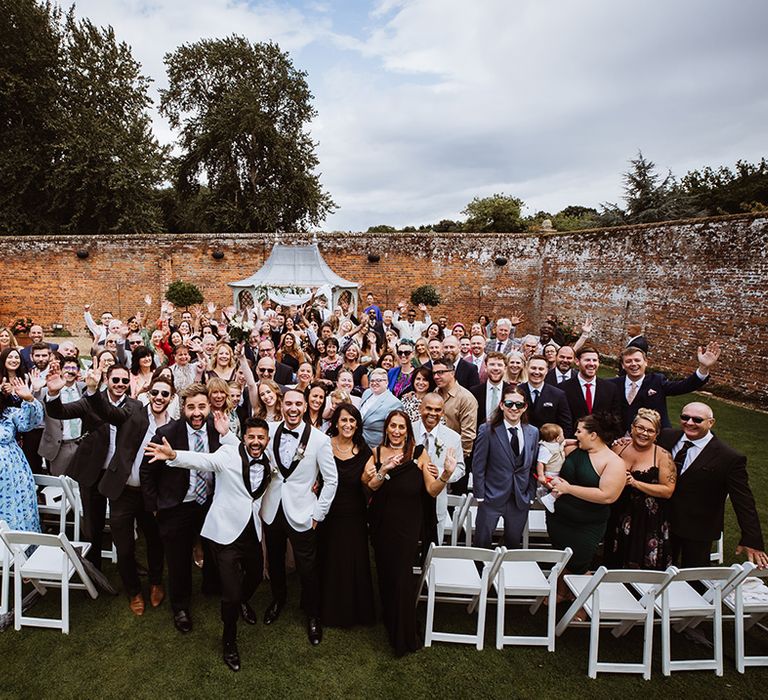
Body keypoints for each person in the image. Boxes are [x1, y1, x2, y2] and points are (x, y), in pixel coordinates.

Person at [146, 416, 273, 672]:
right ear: (244, 437)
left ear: (267, 439)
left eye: (261, 437)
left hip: (251, 531)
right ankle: (229, 641)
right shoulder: (227, 454)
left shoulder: (269, 459)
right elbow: (203, 460)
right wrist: (173, 456)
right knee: (231, 594)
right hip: (225, 535)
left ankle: (241, 603)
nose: (256, 442)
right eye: (251, 437)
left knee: (256, 576)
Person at [362, 409, 456, 655]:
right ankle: (390, 618)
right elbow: (371, 485)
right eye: (392, 426)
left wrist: (446, 473)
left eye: (401, 427)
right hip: (383, 524)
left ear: (407, 430)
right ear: (386, 429)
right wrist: (384, 469)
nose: (396, 431)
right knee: (385, 574)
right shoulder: (377, 452)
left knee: (402, 576)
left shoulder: (418, 453)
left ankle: (403, 635)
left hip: (408, 525)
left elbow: (432, 489)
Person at [80, 369, 169, 615]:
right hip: (123, 492)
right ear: (148, 393)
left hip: (150, 495)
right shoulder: (134, 412)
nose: (159, 397)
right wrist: (92, 390)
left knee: (154, 542)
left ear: (171, 398)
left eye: (165, 394)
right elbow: (108, 411)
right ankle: (133, 591)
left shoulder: (173, 426)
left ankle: (155, 583)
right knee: (125, 546)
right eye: (155, 392)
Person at [140, 383, 222, 634]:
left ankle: (211, 586)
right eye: (191, 407)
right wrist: (154, 506)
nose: (197, 413)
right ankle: (181, 607)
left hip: (209, 503)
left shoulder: (216, 431)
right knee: (177, 560)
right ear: (182, 408)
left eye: (201, 407)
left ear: (209, 407)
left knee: (214, 548)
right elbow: (147, 470)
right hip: (176, 505)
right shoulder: (167, 433)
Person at [261, 389, 338, 645]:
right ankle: (278, 599)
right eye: (288, 403)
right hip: (272, 510)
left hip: (304, 512)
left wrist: (319, 512)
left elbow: (331, 480)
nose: (293, 408)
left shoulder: (319, 440)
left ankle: (313, 615)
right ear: (282, 405)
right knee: (274, 560)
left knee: (308, 567)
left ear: (305, 407)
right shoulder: (269, 431)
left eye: (298, 404)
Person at [657, 402, 768, 569]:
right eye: (685, 417)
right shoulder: (666, 436)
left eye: (697, 419)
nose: (689, 422)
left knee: (694, 579)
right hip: (662, 519)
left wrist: (752, 539)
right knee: (656, 569)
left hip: (698, 528)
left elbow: (743, 500)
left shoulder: (729, 458)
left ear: (711, 422)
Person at [546, 414, 626, 579]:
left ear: (593, 435)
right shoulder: (573, 449)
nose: (575, 434)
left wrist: (568, 489)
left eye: (579, 431)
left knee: (579, 564)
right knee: (562, 560)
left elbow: (607, 496)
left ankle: (582, 601)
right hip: (559, 519)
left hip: (586, 525)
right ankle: (562, 593)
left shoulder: (613, 462)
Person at [319, 404, 375, 628]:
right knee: (329, 559)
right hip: (328, 512)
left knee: (353, 561)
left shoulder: (365, 451)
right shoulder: (324, 446)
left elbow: (370, 486)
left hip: (354, 513)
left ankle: (354, 611)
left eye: (352, 421)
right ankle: (326, 609)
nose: (348, 425)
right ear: (335, 423)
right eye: (344, 420)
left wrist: (368, 479)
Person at [604, 409, 675, 570]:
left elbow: (668, 490)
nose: (644, 433)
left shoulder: (663, 456)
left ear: (657, 434)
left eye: (650, 431)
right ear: (632, 428)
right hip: (618, 511)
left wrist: (635, 483)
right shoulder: (618, 448)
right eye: (640, 428)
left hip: (647, 519)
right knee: (615, 557)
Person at [472, 386, 539, 548]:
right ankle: (481, 572)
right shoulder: (487, 430)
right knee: (482, 542)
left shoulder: (533, 432)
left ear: (525, 407)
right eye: (509, 404)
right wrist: (480, 495)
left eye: (518, 404)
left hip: (520, 499)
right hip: (491, 497)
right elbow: (478, 465)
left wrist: (530, 494)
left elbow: (532, 467)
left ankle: (507, 573)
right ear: (501, 405)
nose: (514, 408)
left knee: (513, 544)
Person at [607, 343, 720, 431]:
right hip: (620, 439)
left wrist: (703, 368)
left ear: (646, 362)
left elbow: (683, 386)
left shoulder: (657, 381)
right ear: (623, 365)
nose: (633, 364)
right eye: (628, 361)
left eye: (637, 360)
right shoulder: (612, 384)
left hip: (655, 437)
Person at [411, 393, 464, 546]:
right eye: (428, 408)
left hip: (437, 498)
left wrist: (442, 472)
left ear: (442, 412)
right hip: (410, 498)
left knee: (432, 544)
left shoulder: (453, 438)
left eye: (437, 410)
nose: (432, 413)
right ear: (421, 408)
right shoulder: (408, 431)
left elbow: (460, 468)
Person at [0, 378, 43, 531]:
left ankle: (18, 551)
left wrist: (29, 398)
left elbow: (30, 422)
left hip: (12, 476)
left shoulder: (8, 414)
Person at [560, 347, 621, 430]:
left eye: (595, 360)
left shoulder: (610, 388)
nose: (592, 364)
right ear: (577, 362)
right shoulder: (563, 389)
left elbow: (615, 418)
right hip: (573, 440)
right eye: (587, 360)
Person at [519, 355, 573, 438]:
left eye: (541, 369)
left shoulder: (558, 394)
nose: (536, 372)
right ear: (526, 368)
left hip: (549, 443)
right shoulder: (517, 392)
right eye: (533, 368)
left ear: (547, 371)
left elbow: (566, 424)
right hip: (522, 441)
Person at [359, 368, 403, 448]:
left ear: (386, 382)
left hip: (376, 446)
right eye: (372, 381)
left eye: (378, 380)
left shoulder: (394, 403)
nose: (374, 383)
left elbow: (393, 431)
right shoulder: (367, 393)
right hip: (358, 442)